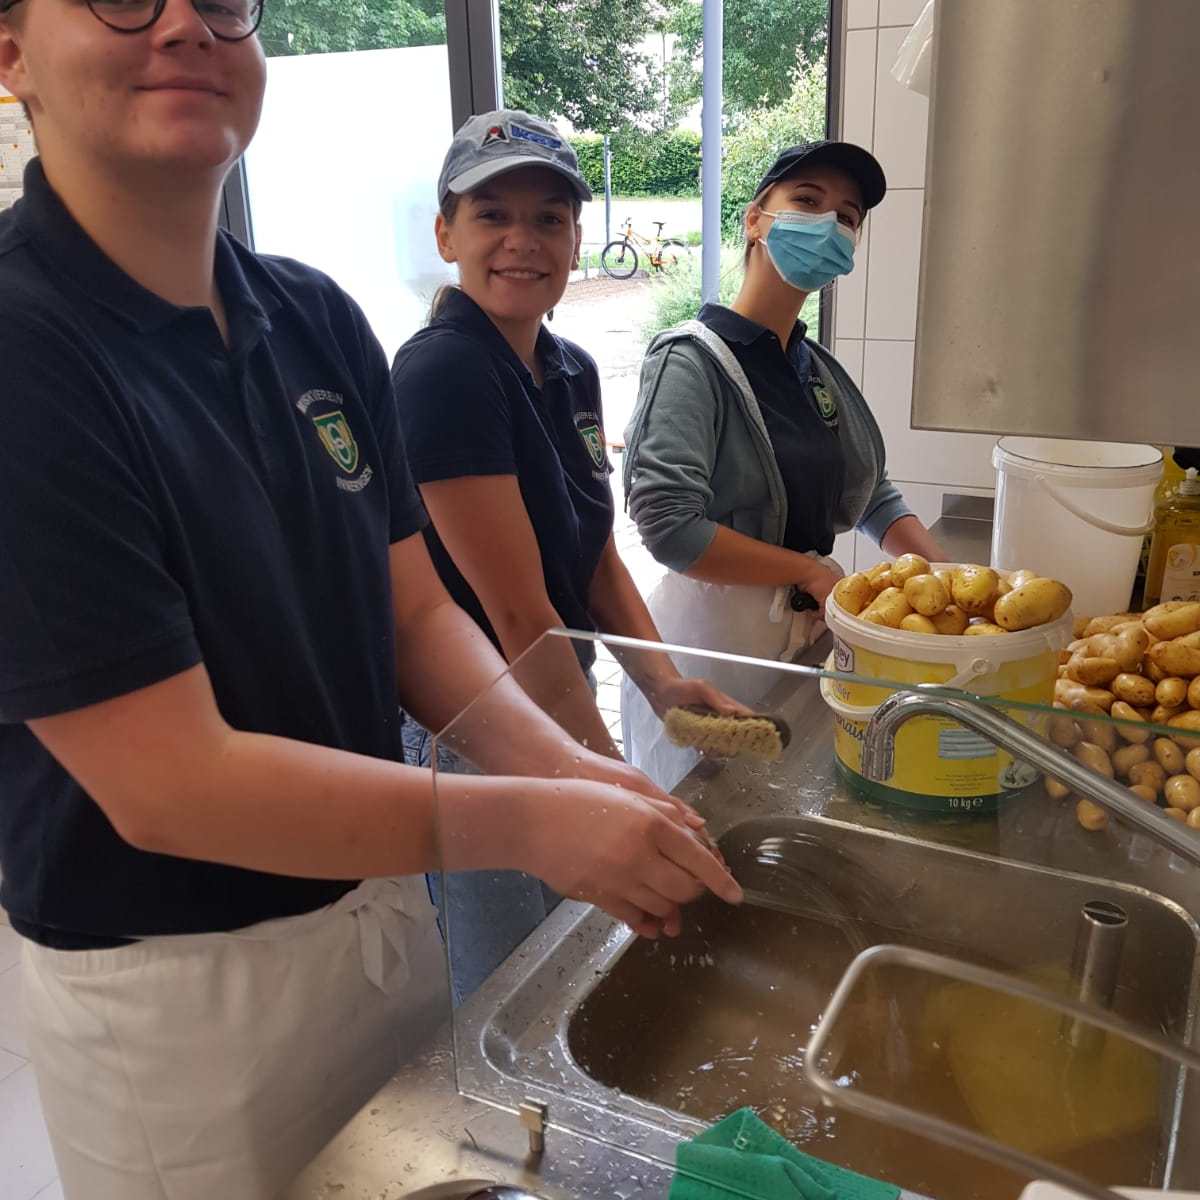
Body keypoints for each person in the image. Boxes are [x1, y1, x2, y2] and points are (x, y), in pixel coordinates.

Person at [0, 4, 741, 1196]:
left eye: (221, 0)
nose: (185, 24)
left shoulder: (314, 317)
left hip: (378, 913)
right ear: (11, 56)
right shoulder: (27, 348)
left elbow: (417, 617)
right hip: (182, 990)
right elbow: (167, 784)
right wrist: (530, 822)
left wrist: (565, 768)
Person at [389, 109, 744, 1000]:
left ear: (577, 239)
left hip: (554, 691)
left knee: (575, 948)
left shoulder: (571, 367)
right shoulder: (443, 373)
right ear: (446, 235)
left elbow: (594, 558)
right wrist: (608, 777)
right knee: (515, 984)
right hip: (478, 728)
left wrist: (663, 686)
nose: (523, 240)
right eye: (492, 215)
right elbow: (518, 615)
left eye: (549, 218)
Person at [619, 140, 945, 776]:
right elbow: (668, 525)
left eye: (847, 216)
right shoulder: (691, 361)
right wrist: (805, 570)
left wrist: (947, 576)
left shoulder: (811, 367)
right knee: (707, 802)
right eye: (807, 201)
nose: (829, 224)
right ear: (755, 219)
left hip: (794, 636)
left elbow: (870, 492)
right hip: (712, 646)